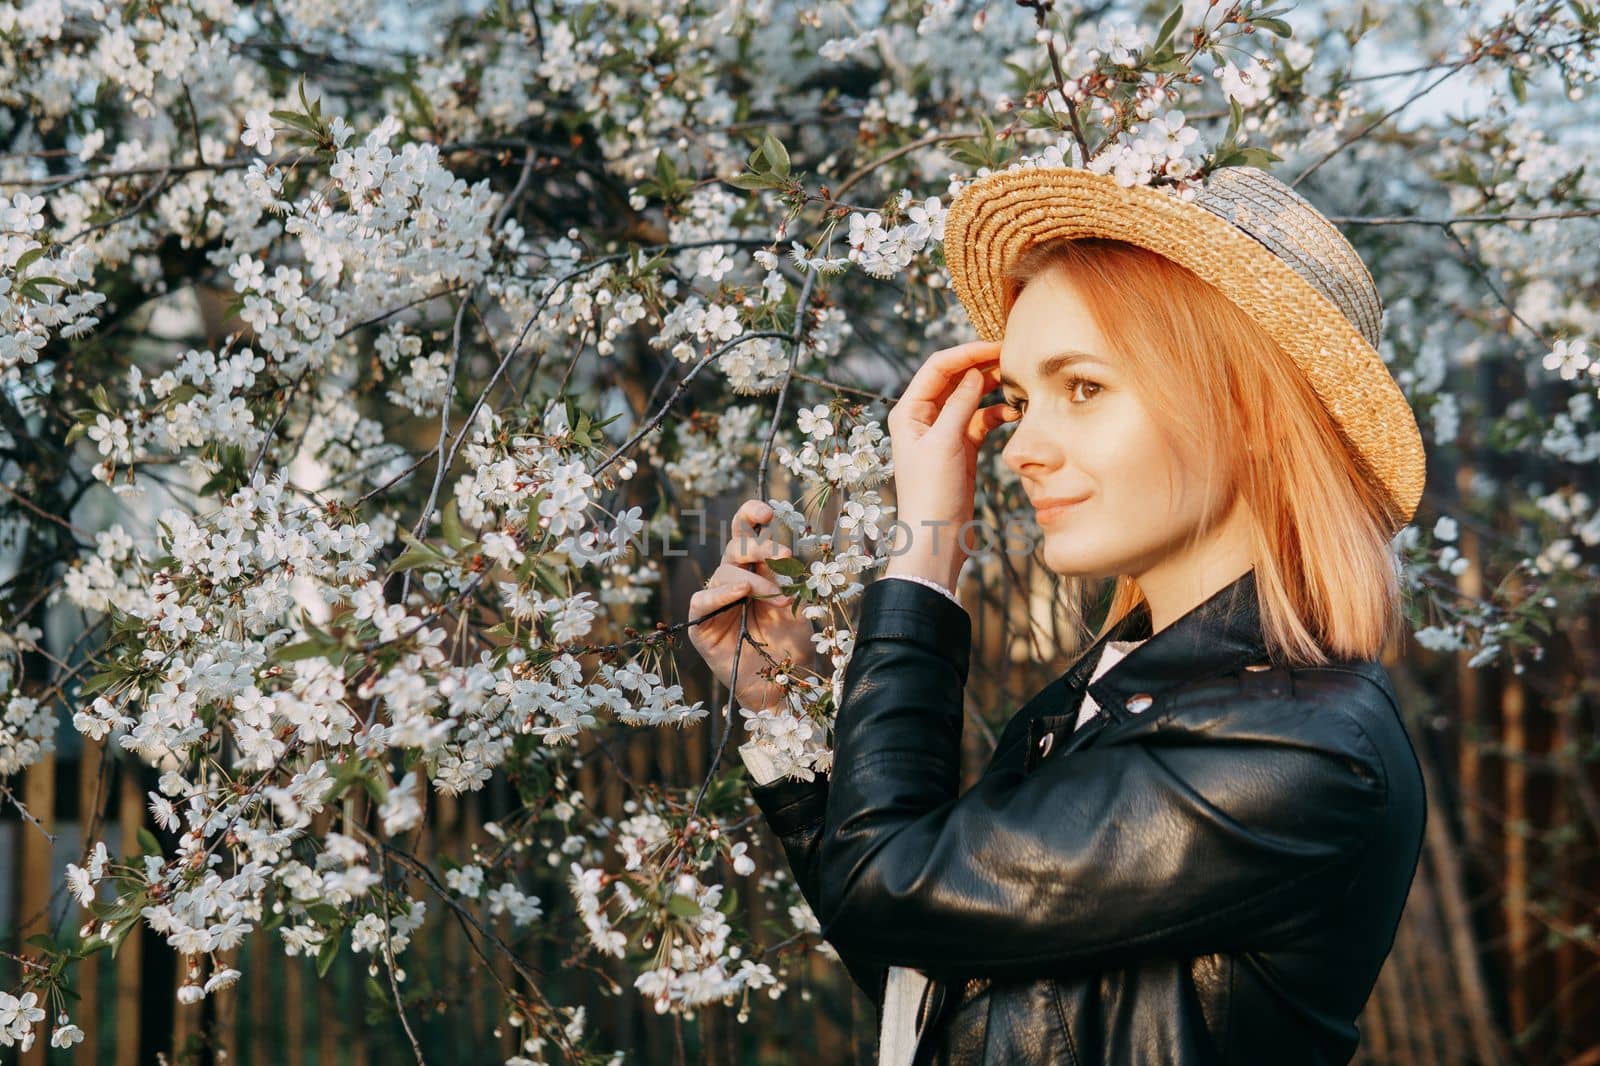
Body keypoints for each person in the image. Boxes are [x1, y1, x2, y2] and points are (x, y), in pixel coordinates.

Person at [686, 163, 1428, 1065]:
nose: (1022, 450)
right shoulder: (1120, 695)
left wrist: (928, 553)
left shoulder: (1296, 748)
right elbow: (945, 976)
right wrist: (785, 708)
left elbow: (892, 891)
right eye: (1023, 401)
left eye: (1083, 387)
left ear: (1253, 413)